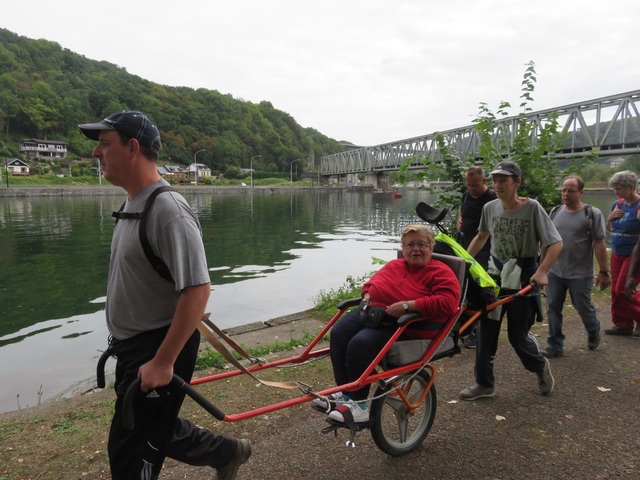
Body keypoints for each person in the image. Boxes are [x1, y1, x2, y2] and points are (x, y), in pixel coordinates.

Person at [79, 110, 250, 480]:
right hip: (133, 346)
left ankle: (226, 452)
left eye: (105, 145)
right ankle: (227, 452)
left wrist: (162, 361)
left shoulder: (167, 210)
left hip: (155, 345)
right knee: (153, 426)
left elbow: (198, 290)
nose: (96, 154)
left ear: (133, 148)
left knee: (129, 450)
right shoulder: (132, 203)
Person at [313, 224, 460, 424]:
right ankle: (345, 393)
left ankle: (359, 405)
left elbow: (449, 303)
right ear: (403, 247)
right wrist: (366, 295)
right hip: (374, 313)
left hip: (403, 323)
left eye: (421, 244)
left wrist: (408, 306)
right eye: (409, 245)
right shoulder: (395, 265)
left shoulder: (440, 272)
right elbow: (371, 283)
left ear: (431, 247)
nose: (415, 249)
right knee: (339, 333)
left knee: (359, 345)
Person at [459, 161, 563, 401]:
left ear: (517, 182)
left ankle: (539, 366)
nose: (497, 185)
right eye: (495, 180)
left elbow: (556, 243)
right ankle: (484, 384)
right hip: (495, 276)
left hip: (524, 274)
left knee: (517, 335)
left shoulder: (533, 208)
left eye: (503, 180)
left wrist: (543, 271)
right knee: (487, 328)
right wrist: (462, 261)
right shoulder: (490, 207)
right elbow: (482, 236)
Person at [541, 176, 610, 357]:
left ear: (581, 192)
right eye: (563, 190)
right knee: (553, 307)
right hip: (555, 272)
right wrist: (541, 268)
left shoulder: (592, 214)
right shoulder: (555, 212)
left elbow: (600, 244)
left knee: (583, 307)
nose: (566, 194)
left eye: (570, 191)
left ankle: (593, 328)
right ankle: (555, 344)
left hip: (581, 273)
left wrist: (604, 271)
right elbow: (547, 241)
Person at [456, 166, 497, 348]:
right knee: (466, 288)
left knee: (481, 290)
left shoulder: (493, 198)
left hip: (484, 251)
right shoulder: (466, 195)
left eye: (474, 185)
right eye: (468, 185)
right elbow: (462, 209)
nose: (471, 188)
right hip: (464, 248)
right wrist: (459, 219)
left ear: (484, 181)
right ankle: (466, 325)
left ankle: (480, 329)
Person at [604, 170, 640, 336]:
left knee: (623, 289)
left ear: (631, 187)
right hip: (617, 252)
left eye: (619, 189)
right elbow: (610, 230)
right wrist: (609, 219)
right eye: (615, 189)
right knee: (615, 291)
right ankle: (623, 325)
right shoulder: (617, 204)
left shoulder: (638, 206)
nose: (617, 192)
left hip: (633, 255)